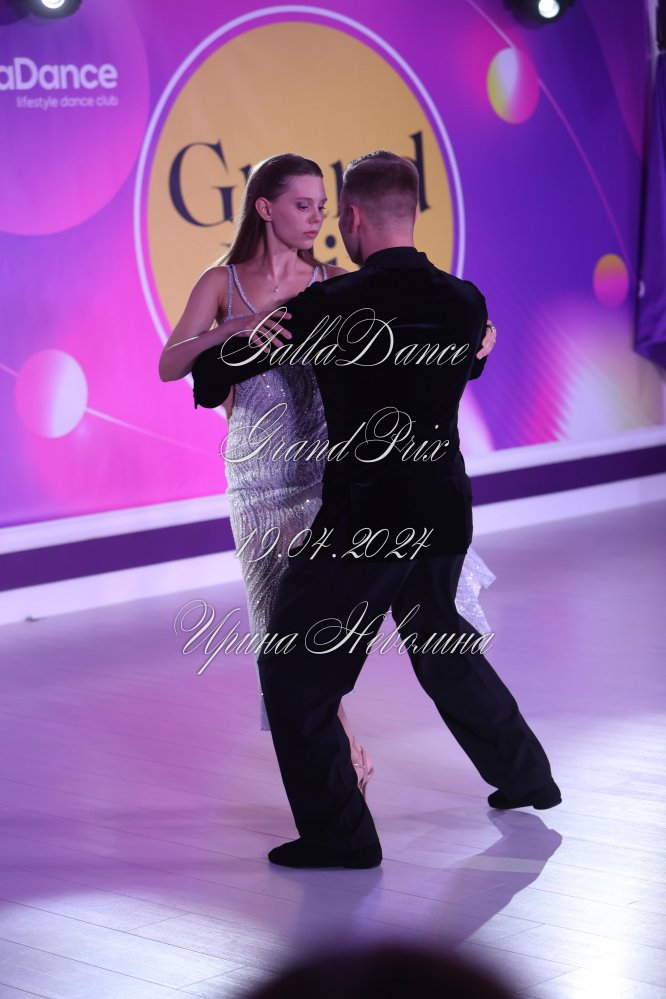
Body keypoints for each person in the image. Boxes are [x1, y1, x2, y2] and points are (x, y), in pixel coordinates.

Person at [192, 150, 561, 871]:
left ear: (354, 218)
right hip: (443, 505)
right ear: (413, 214)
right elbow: (464, 362)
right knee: (443, 643)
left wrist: (235, 339)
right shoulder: (464, 301)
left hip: (366, 516)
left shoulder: (332, 304)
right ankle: (527, 776)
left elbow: (211, 379)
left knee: (295, 670)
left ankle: (342, 836)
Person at [161, 154, 497, 800]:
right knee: (277, 629)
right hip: (258, 479)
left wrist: (476, 338)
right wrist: (237, 328)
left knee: (314, 636)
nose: (318, 218)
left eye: (323, 206)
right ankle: (342, 757)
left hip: (326, 475)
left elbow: (407, 340)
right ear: (265, 208)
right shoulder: (221, 282)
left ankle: (342, 764)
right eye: (303, 205)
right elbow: (172, 363)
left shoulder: (335, 282)